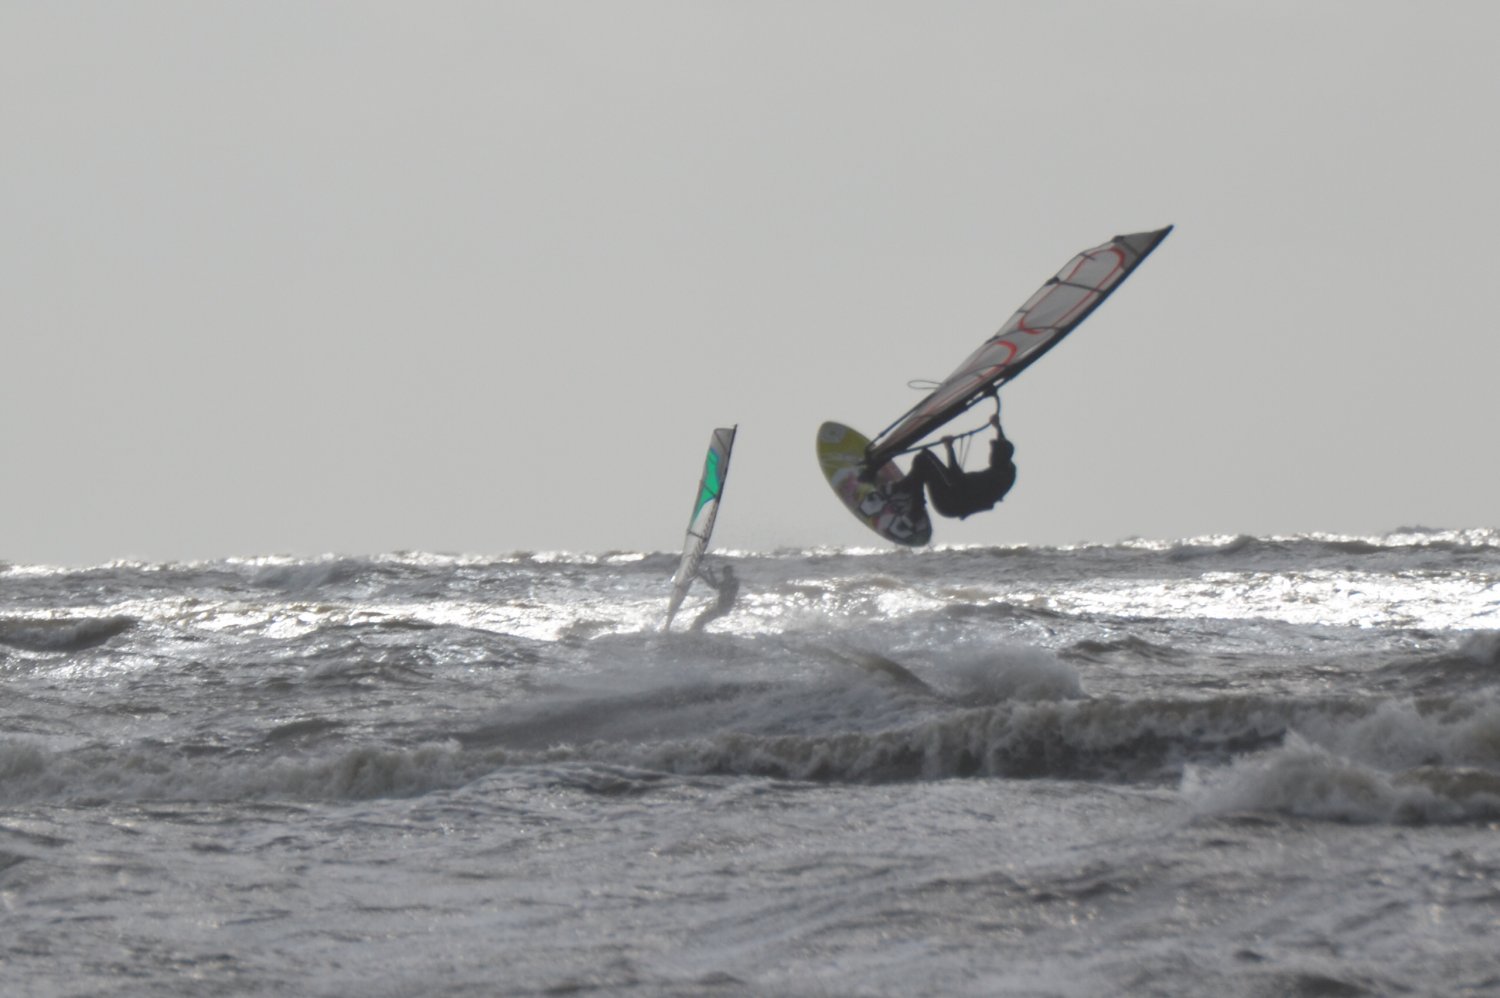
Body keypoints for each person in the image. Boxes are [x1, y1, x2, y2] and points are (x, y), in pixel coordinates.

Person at [888, 414, 1016, 520]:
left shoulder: (992, 478)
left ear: (998, 457)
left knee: (923, 460)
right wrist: (998, 428)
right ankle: (904, 489)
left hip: (948, 503)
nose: (990, 456)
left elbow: (955, 479)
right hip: (954, 498)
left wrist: (950, 448)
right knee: (925, 457)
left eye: (992, 454)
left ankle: (915, 511)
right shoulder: (1009, 469)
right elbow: (1004, 449)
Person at [690, 563, 739, 632]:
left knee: (701, 619)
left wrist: (705, 574)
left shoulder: (734, 582)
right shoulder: (726, 582)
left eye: (729, 573)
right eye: (726, 574)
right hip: (720, 608)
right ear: (724, 574)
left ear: (731, 573)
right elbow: (714, 585)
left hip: (722, 609)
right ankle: (696, 632)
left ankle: (695, 633)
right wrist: (707, 573)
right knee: (700, 619)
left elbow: (715, 585)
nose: (727, 575)